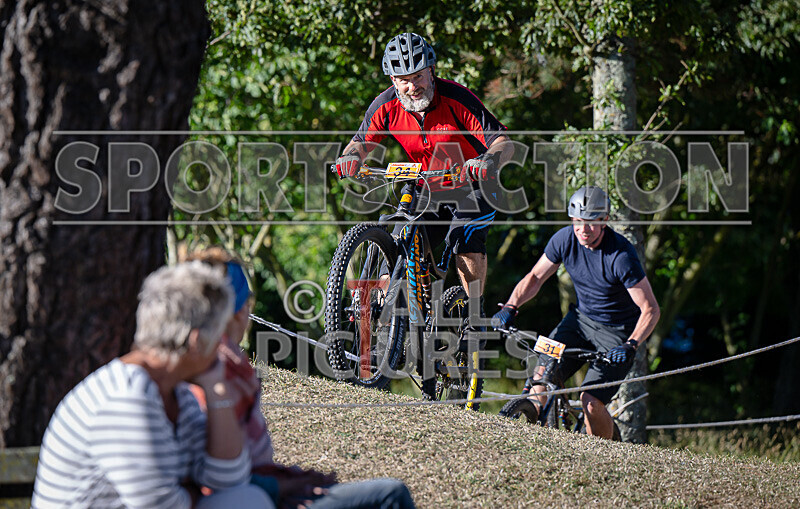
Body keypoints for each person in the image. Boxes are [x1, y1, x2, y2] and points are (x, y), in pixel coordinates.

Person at [185, 247, 417, 509]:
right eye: (248, 301)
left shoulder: (205, 359)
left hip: (263, 492)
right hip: (261, 499)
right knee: (391, 495)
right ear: (239, 311)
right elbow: (221, 480)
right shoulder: (219, 369)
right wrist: (289, 485)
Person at [32, 262, 274, 508]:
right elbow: (162, 506)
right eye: (219, 335)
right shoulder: (126, 397)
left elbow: (229, 479)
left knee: (249, 500)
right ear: (197, 342)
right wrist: (190, 493)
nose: (223, 347)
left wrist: (216, 387)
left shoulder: (176, 393)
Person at [335, 31, 514, 321]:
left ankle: (474, 314)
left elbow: (503, 142)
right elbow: (359, 142)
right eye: (403, 79)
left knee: (464, 239)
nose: (412, 86)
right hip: (427, 187)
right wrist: (350, 158)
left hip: (473, 184)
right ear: (393, 81)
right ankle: (376, 314)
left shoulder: (455, 98)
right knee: (397, 238)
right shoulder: (385, 105)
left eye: (418, 76)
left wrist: (488, 160)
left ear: (431, 71)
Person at [492, 186, 660, 439]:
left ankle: (603, 454)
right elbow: (536, 277)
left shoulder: (621, 255)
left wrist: (631, 345)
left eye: (591, 222)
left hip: (616, 334)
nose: (583, 229)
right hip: (579, 322)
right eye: (578, 222)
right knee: (541, 375)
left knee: (590, 400)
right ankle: (532, 434)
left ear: (604, 220)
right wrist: (510, 306)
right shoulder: (564, 239)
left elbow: (650, 309)